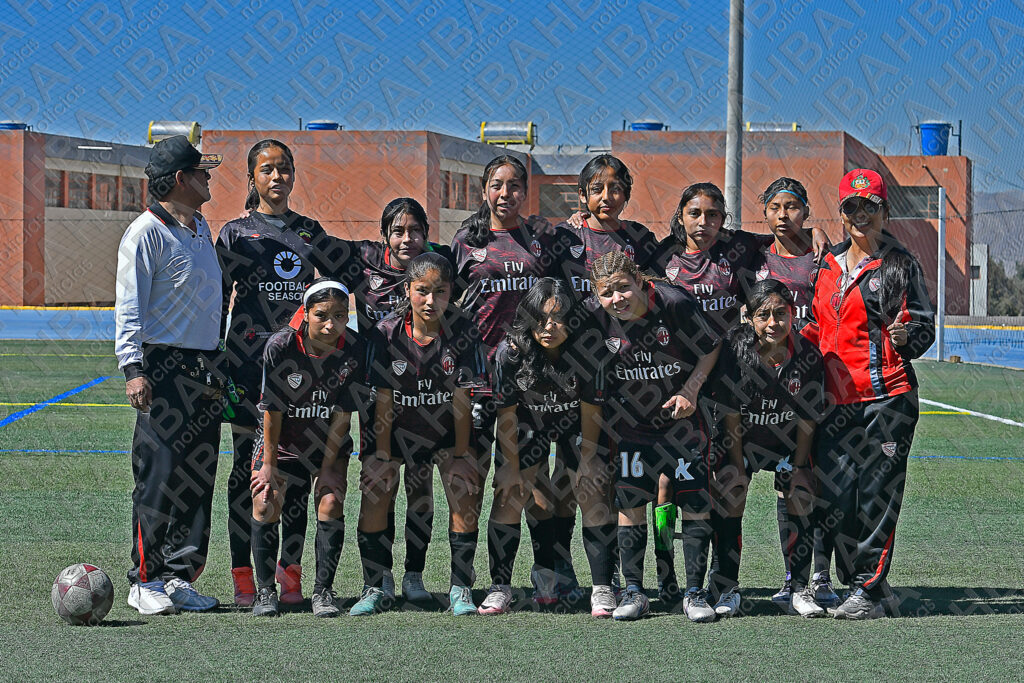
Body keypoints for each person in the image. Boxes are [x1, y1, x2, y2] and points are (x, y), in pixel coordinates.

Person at [652, 182, 828, 614]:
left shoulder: (740, 249)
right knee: (664, 485)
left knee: (787, 485)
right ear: (680, 214)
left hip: (734, 375)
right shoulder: (659, 255)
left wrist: (818, 233)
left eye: (713, 215)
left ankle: (794, 583)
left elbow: (782, 238)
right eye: (695, 213)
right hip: (670, 379)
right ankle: (666, 580)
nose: (704, 222)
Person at [803, 169, 935, 620]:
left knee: (878, 494)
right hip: (834, 402)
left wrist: (907, 337)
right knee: (837, 496)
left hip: (887, 399)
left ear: (884, 211)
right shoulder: (827, 264)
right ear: (841, 214)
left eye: (870, 206)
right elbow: (817, 326)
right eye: (851, 207)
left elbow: (924, 328)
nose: (861, 214)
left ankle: (868, 589)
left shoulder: (901, 264)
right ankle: (868, 587)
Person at [450, 155, 577, 604]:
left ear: (526, 192)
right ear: (484, 188)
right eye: (497, 185)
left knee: (529, 485)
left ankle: (545, 575)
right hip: (477, 382)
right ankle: (475, 583)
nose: (506, 194)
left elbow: (563, 299)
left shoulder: (542, 239)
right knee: (471, 484)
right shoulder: (465, 240)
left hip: (530, 386)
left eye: (515, 186)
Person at [217, 139, 335, 607]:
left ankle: (291, 577)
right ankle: (246, 578)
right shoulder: (234, 234)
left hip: (301, 377)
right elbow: (216, 301)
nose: (277, 177)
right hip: (247, 371)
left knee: (297, 472)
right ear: (252, 179)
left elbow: (337, 289)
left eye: (284, 169)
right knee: (248, 472)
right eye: (267, 170)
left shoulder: (310, 232)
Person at [115, 135, 225, 615]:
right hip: (162, 367)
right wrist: (134, 368)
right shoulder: (144, 232)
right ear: (180, 178)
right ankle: (146, 578)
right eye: (201, 171)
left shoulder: (201, 226)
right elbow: (129, 306)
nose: (208, 177)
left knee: (197, 475)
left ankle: (181, 574)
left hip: (206, 366)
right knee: (158, 474)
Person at [578, 251, 720, 622]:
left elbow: (711, 347)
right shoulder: (595, 316)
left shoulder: (674, 302)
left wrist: (690, 391)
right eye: (607, 293)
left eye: (624, 288)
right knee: (630, 504)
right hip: (630, 426)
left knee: (694, 503)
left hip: (683, 424)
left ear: (640, 282)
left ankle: (695, 593)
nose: (617, 300)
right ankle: (635, 592)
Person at [351, 252, 485, 616]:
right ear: (407, 289)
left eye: (440, 292)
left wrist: (461, 455)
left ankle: (459, 588)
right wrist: (381, 457)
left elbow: (461, 402)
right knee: (377, 487)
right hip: (394, 432)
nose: (430, 300)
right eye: (422, 290)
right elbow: (383, 403)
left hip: (442, 435)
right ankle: (375, 585)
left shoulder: (462, 331)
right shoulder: (385, 334)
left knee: (464, 486)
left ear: (451, 292)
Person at [708, 279, 827, 617]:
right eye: (763, 315)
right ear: (749, 318)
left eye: (780, 314)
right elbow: (730, 414)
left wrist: (799, 465)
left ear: (792, 314)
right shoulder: (735, 353)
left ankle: (797, 587)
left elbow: (807, 419)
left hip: (788, 442)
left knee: (801, 490)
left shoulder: (806, 355)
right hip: (743, 441)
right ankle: (725, 586)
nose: (773, 323)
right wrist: (737, 464)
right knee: (731, 490)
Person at [249, 279, 366, 618]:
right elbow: (271, 410)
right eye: (322, 316)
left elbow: (344, 414)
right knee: (265, 498)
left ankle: (323, 592)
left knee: (330, 500)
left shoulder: (352, 348)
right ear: (306, 313)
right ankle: (265, 592)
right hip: (282, 441)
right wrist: (268, 464)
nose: (332, 325)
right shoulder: (281, 346)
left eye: (341, 316)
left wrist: (329, 466)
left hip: (327, 442)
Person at [752, 176, 839, 611]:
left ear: (806, 211)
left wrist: (821, 236)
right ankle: (793, 577)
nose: (784, 215)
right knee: (786, 483)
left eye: (792, 207)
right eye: (775, 207)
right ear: (764, 213)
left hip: (813, 381)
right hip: (766, 391)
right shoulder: (753, 255)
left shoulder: (826, 259)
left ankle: (819, 576)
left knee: (811, 479)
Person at [478, 278, 587, 615]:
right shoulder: (510, 352)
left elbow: (593, 409)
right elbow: (506, 416)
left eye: (557, 318)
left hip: (574, 422)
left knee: (572, 489)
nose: (548, 327)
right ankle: (501, 585)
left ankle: (560, 567)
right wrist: (509, 467)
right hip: (528, 423)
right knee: (512, 492)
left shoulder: (585, 349)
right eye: (540, 319)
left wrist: (590, 459)